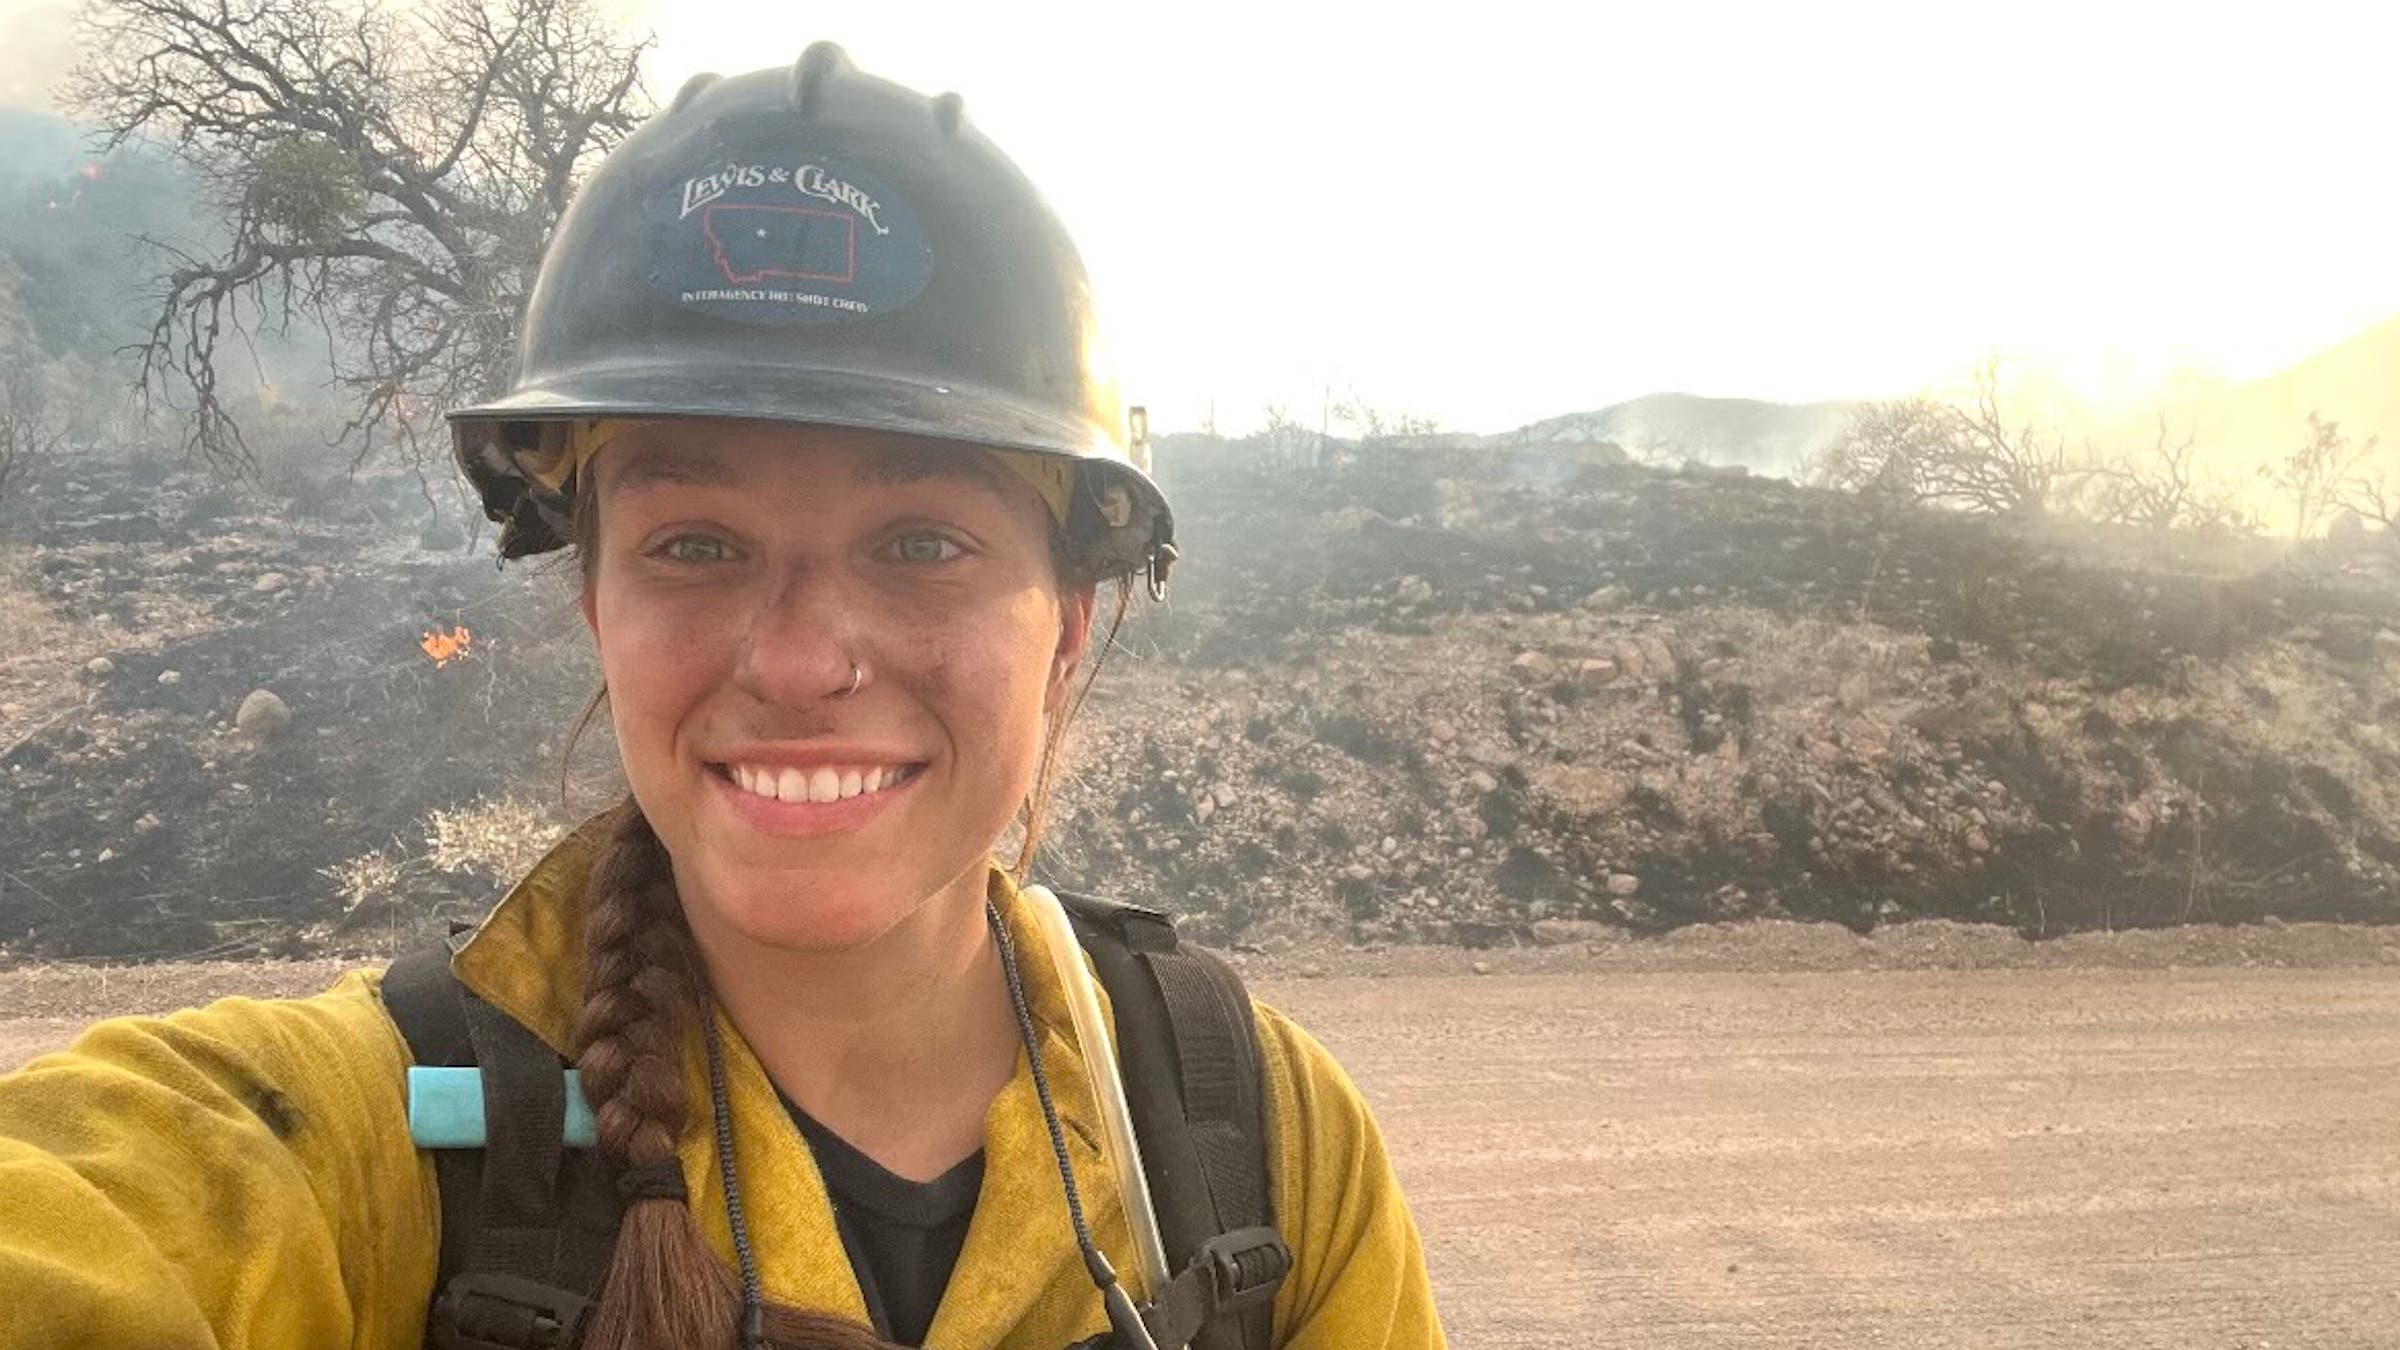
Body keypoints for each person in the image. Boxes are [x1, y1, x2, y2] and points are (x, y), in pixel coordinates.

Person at [0, 42, 1446, 1350]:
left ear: (1069, 623)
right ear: (596, 603)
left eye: (922, 543)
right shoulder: (367, 1146)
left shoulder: (1257, 1145)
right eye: (697, 545)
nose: (802, 659)